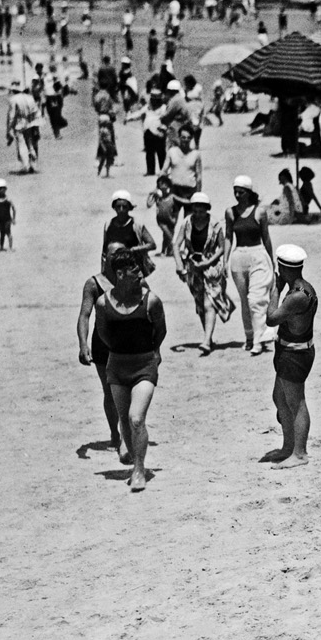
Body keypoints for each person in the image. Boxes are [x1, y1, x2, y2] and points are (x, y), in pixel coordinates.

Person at [90, 249, 167, 494]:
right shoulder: (103, 303)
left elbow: (160, 331)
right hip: (117, 366)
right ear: (120, 273)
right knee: (124, 418)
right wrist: (118, 350)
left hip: (144, 366)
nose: (140, 276)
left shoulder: (151, 300)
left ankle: (139, 469)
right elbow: (103, 334)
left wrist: (152, 352)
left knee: (136, 418)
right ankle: (134, 460)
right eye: (135, 272)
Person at [262, 245, 317, 468]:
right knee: (280, 398)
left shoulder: (296, 296)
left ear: (282, 269)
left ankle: (300, 453)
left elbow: (271, 318)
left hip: (295, 353)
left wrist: (275, 289)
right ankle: (289, 446)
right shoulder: (303, 288)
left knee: (296, 402)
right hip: (290, 350)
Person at [76, 244, 128, 454]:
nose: (118, 258)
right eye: (114, 254)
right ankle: (115, 434)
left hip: (127, 342)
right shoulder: (93, 284)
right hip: (103, 342)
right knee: (110, 391)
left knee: (126, 390)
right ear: (104, 257)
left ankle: (125, 437)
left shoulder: (132, 278)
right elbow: (84, 315)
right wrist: (83, 344)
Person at [225, 175, 276, 356]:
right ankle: (249, 337)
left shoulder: (259, 212)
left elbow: (266, 237)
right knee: (245, 301)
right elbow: (229, 237)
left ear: (248, 193)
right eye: (235, 192)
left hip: (258, 255)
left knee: (256, 299)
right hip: (238, 258)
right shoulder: (230, 212)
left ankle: (258, 340)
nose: (238, 195)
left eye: (241, 192)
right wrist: (225, 260)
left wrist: (272, 260)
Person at [173, 187, 227, 355]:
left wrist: (209, 262)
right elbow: (176, 244)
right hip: (193, 268)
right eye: (195, 207)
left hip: (211, 269)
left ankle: (205, 341)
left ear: (207, 208)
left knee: (209, 302)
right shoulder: (187, 222)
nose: (198, 210)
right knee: (200, 305)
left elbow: (222, 246)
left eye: (201, 207)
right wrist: (179, 265)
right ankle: (208, 338)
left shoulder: (215, 224)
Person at [102, 190, 157, 274]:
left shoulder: (136, 224)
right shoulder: (108, 224)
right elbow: (104, 252)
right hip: (113, 268)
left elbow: (152, 245)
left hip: (133, 267)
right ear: (114, 207)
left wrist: (134, 249)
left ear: (129, 208)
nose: (121, 210)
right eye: (118, 206)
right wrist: (103, 271)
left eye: (124, 207)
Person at [6, 81, 43, 173]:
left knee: (22, 144)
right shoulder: (30, 98)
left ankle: (26, 165)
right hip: (30, 123)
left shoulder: (14, 99)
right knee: (30, 144)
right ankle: (33, 164)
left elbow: (11, 116)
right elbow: (36, 112)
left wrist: (8, 129)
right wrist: (37, 125)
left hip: (19, 124)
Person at [152, 175, 181, 255]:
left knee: (166, 236)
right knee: (169, 235)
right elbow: (149, 204)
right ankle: (174, 249)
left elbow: (181, 201)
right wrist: (151, 194)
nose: (162, 186)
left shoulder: (172, 196)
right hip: (161, 220)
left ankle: (166, 251)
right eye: (160, 184)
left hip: (171, 219)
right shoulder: (158, 197)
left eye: (164, 184)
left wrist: (193, 201)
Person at [0, 178, 16, 252]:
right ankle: (1, 247)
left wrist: (13, 219)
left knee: (8, 232)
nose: (1, 191)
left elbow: (14, 209)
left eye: (2, 188)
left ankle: (10, 247)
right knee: (1, 233)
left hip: (7, 219)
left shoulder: (8, 199)